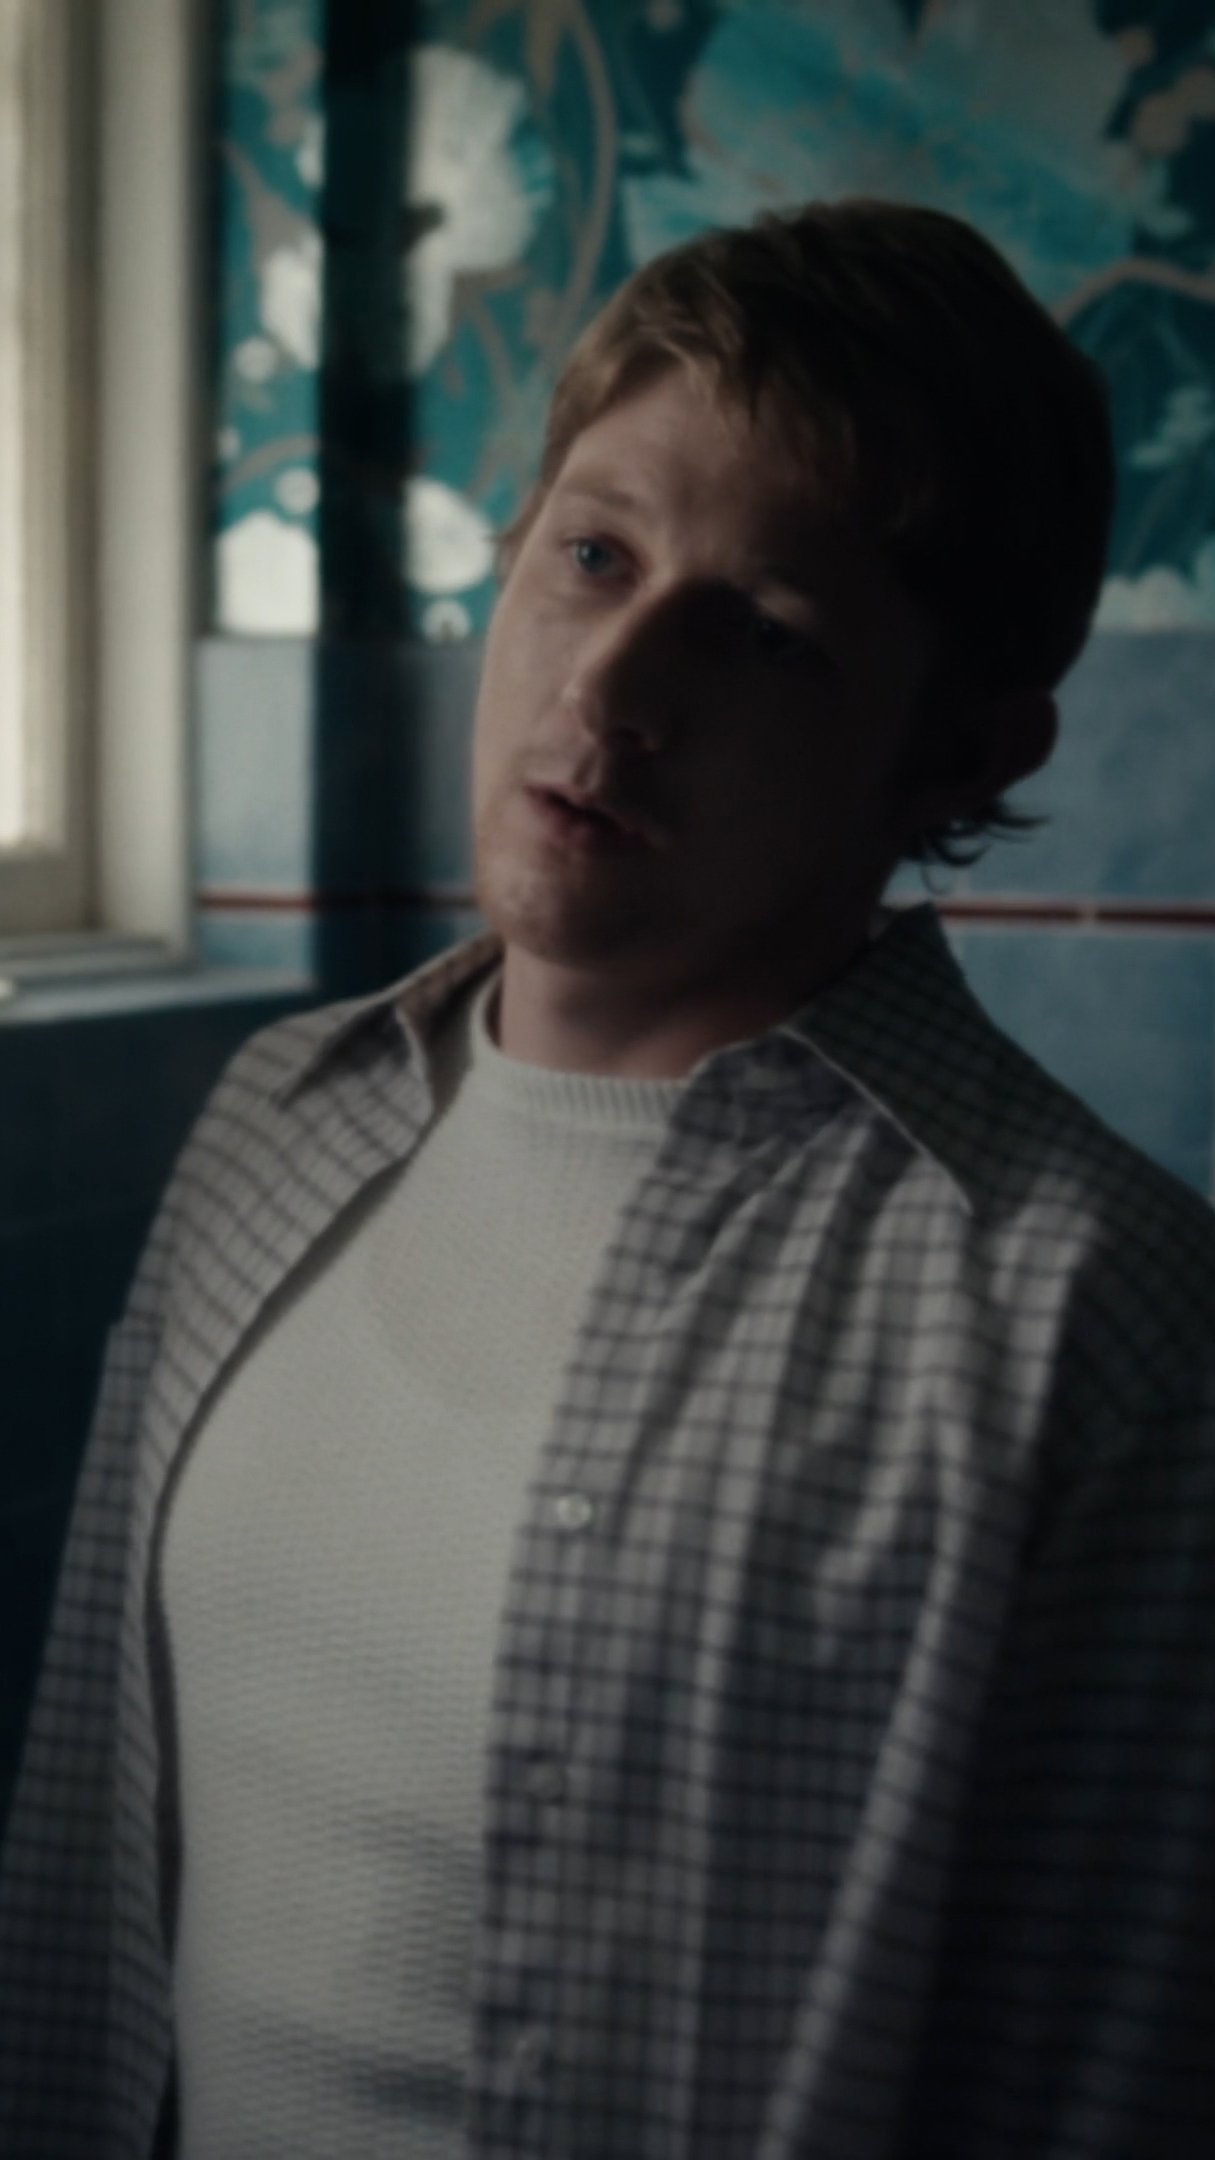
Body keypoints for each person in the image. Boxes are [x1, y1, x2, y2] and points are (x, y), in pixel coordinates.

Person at [1, 197, 1213, 2160]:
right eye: (592, 557)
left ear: (958, 753)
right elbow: (83, 1863)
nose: (613, 687)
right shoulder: (274, 1120)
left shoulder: (1092, 1317)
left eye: (762, 633)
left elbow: (1106, 2079)